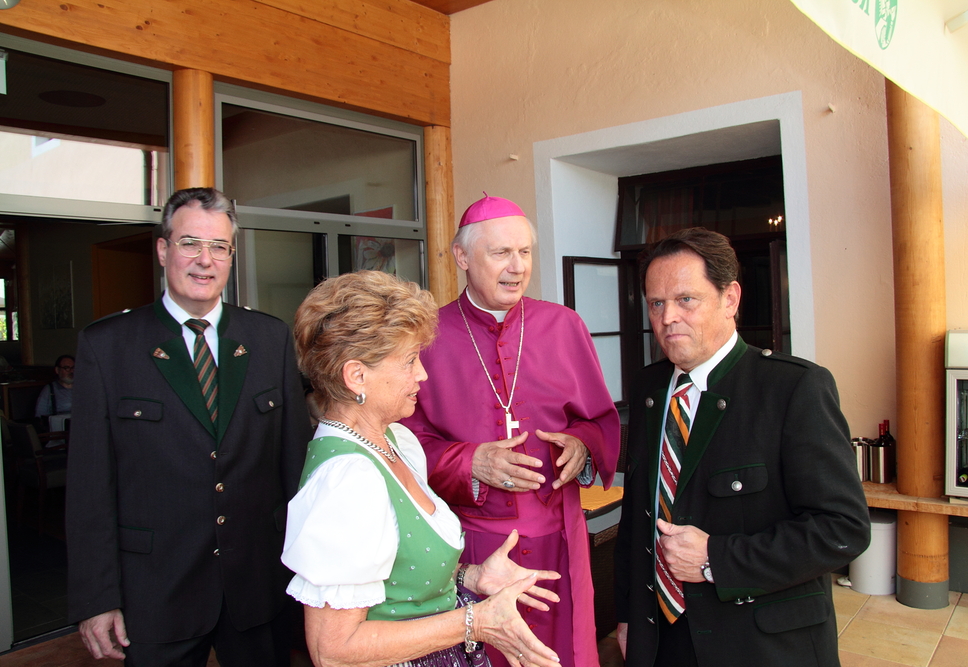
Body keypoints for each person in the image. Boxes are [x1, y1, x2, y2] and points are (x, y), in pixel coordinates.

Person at [66, 187, 311, 666]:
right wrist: (97, 597)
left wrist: (307, 573)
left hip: (258, 586)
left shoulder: (269, 338)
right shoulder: (107, 346)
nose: (205, 260)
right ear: (163, 250)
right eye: (190, 243)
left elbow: (295, 468)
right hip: (156, 592)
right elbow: (89, 487)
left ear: (231, 256)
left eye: (219, 246)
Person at [614, 227, 871, 667]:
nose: (668, 317)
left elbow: (842, 529)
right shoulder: (647, 388)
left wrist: (716, 559)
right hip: (660, 637)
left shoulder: (793, 388)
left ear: (730, 298)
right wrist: (627, 615)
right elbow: (638, 514)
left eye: (686, 299)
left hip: (757, 642)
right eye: (656, 303)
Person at [283, 270, 561, 667]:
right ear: (357, 375)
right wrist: (475, 622)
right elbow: (334, 650)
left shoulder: (397, 440)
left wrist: (470, 577)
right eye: (409, 361)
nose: (422, 374)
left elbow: (398, 574)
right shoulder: (347, 482)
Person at [402, 195, 620, 667]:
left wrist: (582, 445)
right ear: (462, 257)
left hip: (560, 541)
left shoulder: (564, 325)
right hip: (472, 547)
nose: (517, 267)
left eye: (524, 252)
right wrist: (471, 462)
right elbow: (404, 445)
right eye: (501, 252)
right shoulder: (427, 336)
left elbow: (600, 419)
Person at [34, 354, 75, 426]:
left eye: (73, 368)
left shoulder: (83, 388)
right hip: (60, 427)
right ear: (57, 370)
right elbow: (39, 417)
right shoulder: (50, 390)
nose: (71, 371)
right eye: (66, 368)